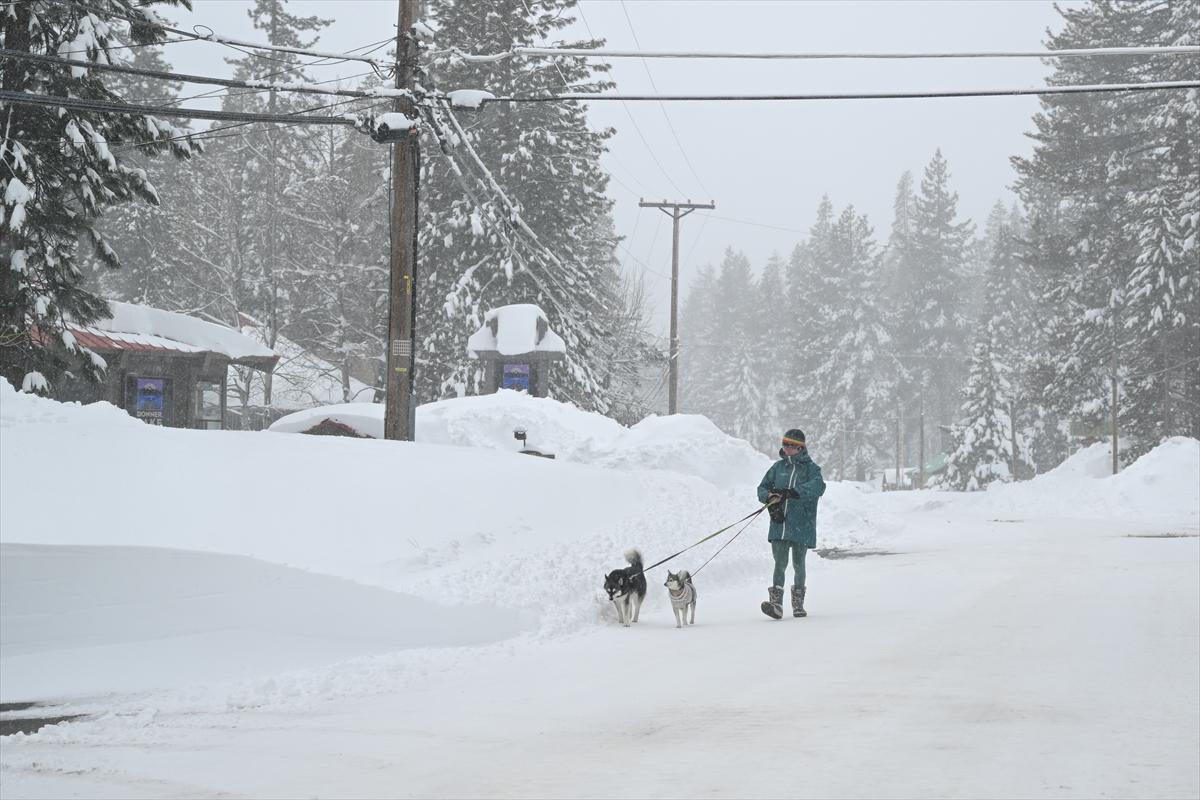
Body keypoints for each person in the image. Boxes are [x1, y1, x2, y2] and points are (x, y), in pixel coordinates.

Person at [756, 428, 826, 619]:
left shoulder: (812, 469)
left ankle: (798, 604)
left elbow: (819, 487)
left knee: (798, 564)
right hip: (779, 523)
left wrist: (794, 492)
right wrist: (769, 496)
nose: (785, 448)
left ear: (800, 447)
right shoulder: (777, 468)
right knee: (779, 563)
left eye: (790, 445)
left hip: (802, 524)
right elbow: (762, 488)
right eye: (784, 444)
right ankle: (776, 604)